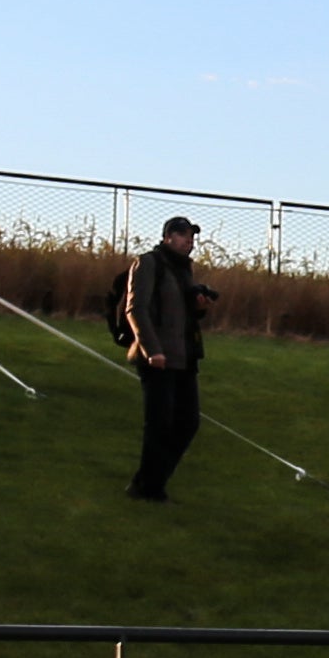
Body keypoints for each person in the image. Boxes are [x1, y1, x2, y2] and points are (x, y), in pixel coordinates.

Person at [115, 215, 212, 503]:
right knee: (159, 424)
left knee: (187, 423)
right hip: (156, 358)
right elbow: (135, 310)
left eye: (192, 237)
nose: (189, 242)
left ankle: (148, 482)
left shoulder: (184, 270)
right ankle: (150, 488)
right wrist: (151, 349)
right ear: (168, 236)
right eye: (183, 236)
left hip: (185, 358)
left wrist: (199, 307)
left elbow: (183, 315)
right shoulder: (149, 263)